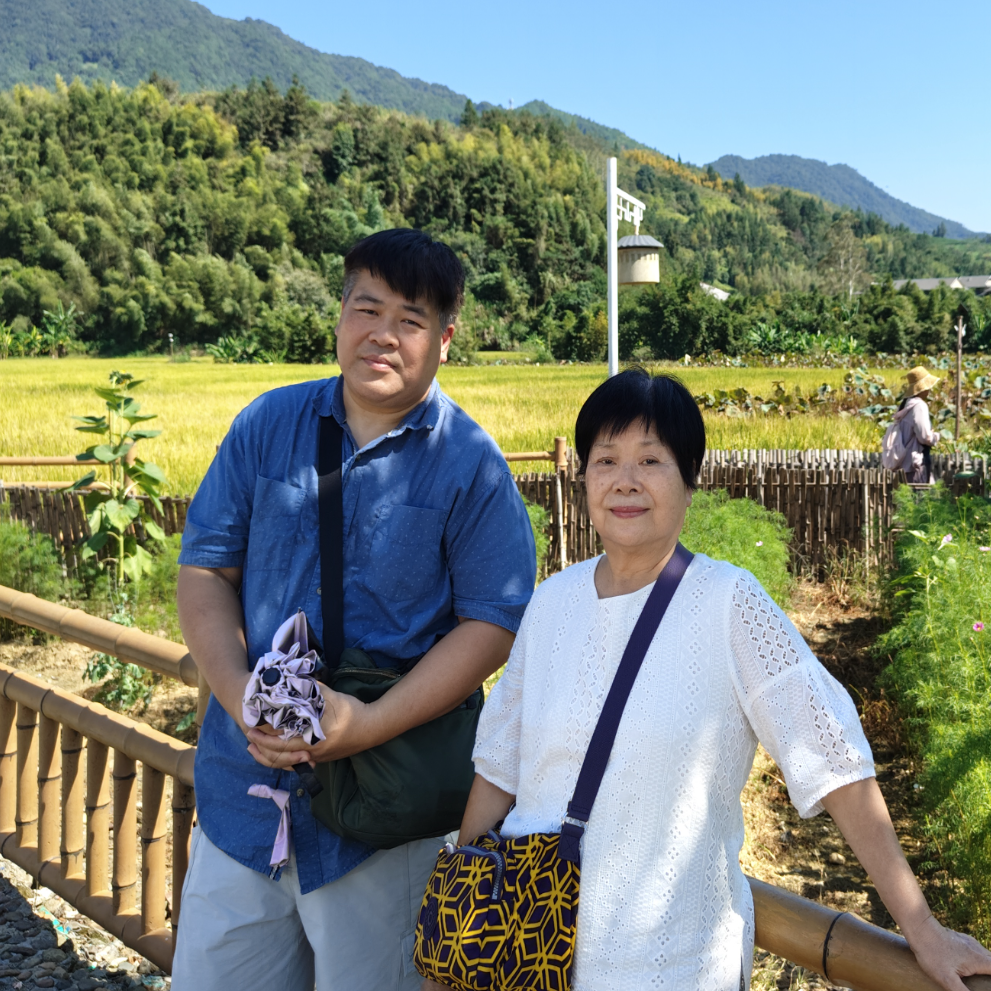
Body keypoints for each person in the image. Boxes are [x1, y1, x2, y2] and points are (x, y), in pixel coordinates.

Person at [438, 369, 991, 991]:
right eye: (606, 459)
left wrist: (922, 927)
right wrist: (457, 931)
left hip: (671, 967)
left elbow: (835, 761)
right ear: (584, 476)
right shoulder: (550, 603)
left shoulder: (729, 603)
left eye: (651, 460)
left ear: (690, 479)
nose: (625, 480)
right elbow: (499, 772)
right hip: (528, 962)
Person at [171, 228, 537, 991]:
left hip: (383, 817)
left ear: (445, 338)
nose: (383, 334)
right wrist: (240, 695)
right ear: (339, 315)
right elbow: (205, 567)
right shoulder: (266, 425)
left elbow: (493, 622)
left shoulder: (470, 462)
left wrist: (366, 722)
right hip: (243, 800)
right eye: (366, 308)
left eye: (410, 319)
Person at [893, 366, 940, 484]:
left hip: (903, 463)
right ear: (922, 388)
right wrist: (935, 437)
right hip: (915, 464)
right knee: (920, 494)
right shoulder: (919, 406)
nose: (929, 389)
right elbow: (924, 437)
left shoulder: (904, 405)